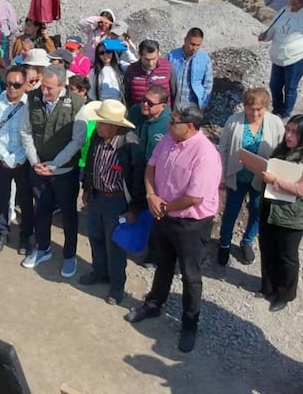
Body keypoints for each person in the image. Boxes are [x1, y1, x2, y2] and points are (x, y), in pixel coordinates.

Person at [124, 103, 221, 353]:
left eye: (173, 121)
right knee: (163, 264)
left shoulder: (206, 155)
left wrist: (164, 207)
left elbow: (194, 198)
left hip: (191, 223)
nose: (168, 124)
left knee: (190, 276)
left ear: (190, 126)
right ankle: (153, 305)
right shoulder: (169, 139)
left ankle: (189, 325)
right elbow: (151, 167)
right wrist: (151, 196)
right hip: (163, 213)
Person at [19, 65, 87, 273]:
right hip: (39, 169)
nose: (45, 91)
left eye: (50, 88)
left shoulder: (77, 104)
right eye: (43, 86)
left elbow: (77, 140)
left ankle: (69, 255)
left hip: (64, 172)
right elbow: (25, 132)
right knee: (41, 211)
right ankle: (42, 248)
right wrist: (34, 161)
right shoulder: (32, 99)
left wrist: (56, 164)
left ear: (62, 86)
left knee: (68, 215)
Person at [79, 99, 146, 305]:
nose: (98, 126)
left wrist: (134, 209)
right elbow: (90, 163)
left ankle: (117, 287)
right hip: (96, 197)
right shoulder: (97, 137)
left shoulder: (130, 146)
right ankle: (99, 272)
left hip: (117, 202)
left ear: (115, 126)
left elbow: (138, 180)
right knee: (95, 237)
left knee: (115, 245)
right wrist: (87, 188)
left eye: (102, 123)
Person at [258, 114, 303, 312]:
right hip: (271, 209)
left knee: (287, 256)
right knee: (268, 248)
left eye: (295, 132)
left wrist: (274, 181)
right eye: (288, 130)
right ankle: (269, 286)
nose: (289, 135)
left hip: (293, 217)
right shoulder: (282, 150)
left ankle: (285, 294)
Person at [216, 87, 285, 266]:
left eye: (259, 109)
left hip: (261, 178)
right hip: (237, 176)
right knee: (231, 211)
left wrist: (275, 176)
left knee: (256, 211)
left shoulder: (275, 123)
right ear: (244, 106)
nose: (254, 113)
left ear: (266, 107)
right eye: (250, 108)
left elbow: (280, 151)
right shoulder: (234, 121)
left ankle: (247, 241)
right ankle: (224, 243)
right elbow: (223, 149)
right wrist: (221, 176)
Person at [0, 65, 33, 254]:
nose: (11, 88)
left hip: (23, 159)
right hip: (0, 158)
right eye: (8, 84)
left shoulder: (31, 105)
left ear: (25, 85)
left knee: (26, 200)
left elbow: (31, 135)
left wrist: (16, 158)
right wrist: (4, 156)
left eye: (17, 85)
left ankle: (25, 236)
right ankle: (2, 232)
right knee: (1, 198)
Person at [167, 28, 213, 109]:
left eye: (198, 45)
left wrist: (203, 104)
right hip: (174, 104)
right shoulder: (172, 55)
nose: (195, 48)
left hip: (193, 106)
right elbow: (166, 78)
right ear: (185, 40)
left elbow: (208, 84)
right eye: (192, 44)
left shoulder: (204, 59)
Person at [124, 39, 176, 108]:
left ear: (158, 54)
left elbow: (175, 92)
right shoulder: (131, 70)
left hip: (163, 113)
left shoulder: (168, 67)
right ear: (139, 54)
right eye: (147, 59)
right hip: (138, 112)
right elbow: (127, 95)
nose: (150, 63)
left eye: (154, 59)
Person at [127, 85, 171, 160]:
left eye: (150, 103)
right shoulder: (134, 112)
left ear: (163, 106)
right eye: (144, 99)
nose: (145, 104)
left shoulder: (170, 123)